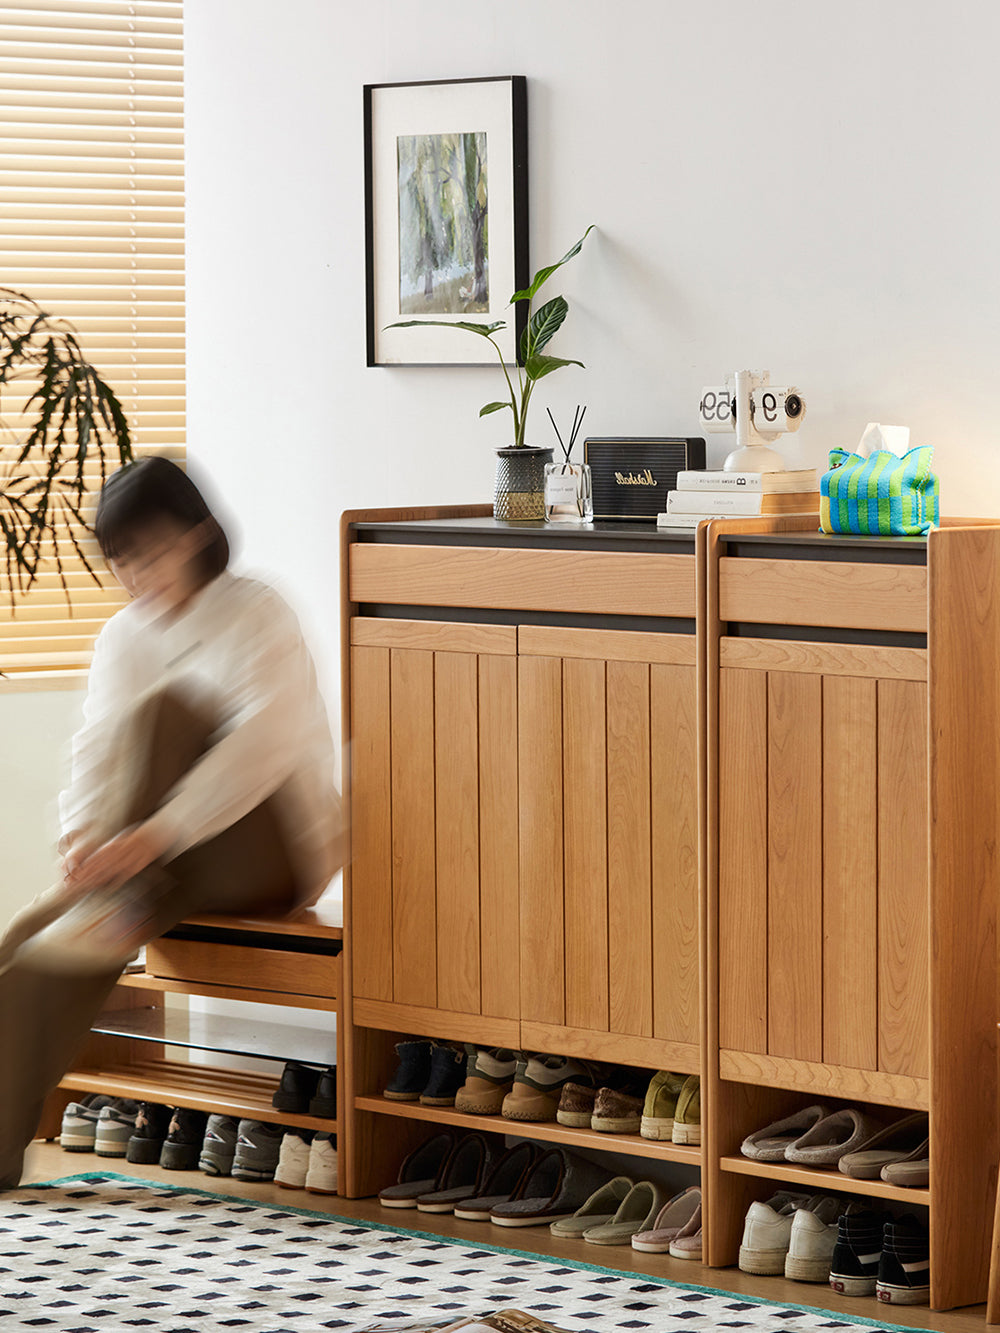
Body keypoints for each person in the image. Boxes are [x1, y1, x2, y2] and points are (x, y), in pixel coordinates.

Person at [0, 456, 343, 1187]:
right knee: (23, 949)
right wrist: (83, 837)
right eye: (123, 561)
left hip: (272, 852)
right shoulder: (124, 635)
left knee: (159, 715)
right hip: (160, 869)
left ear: (196, 536)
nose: (136, 576)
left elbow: (262, 749)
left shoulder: (258, 612)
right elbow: (94, 749)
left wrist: (146, 838)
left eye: (150, 554)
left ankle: (109, 903)